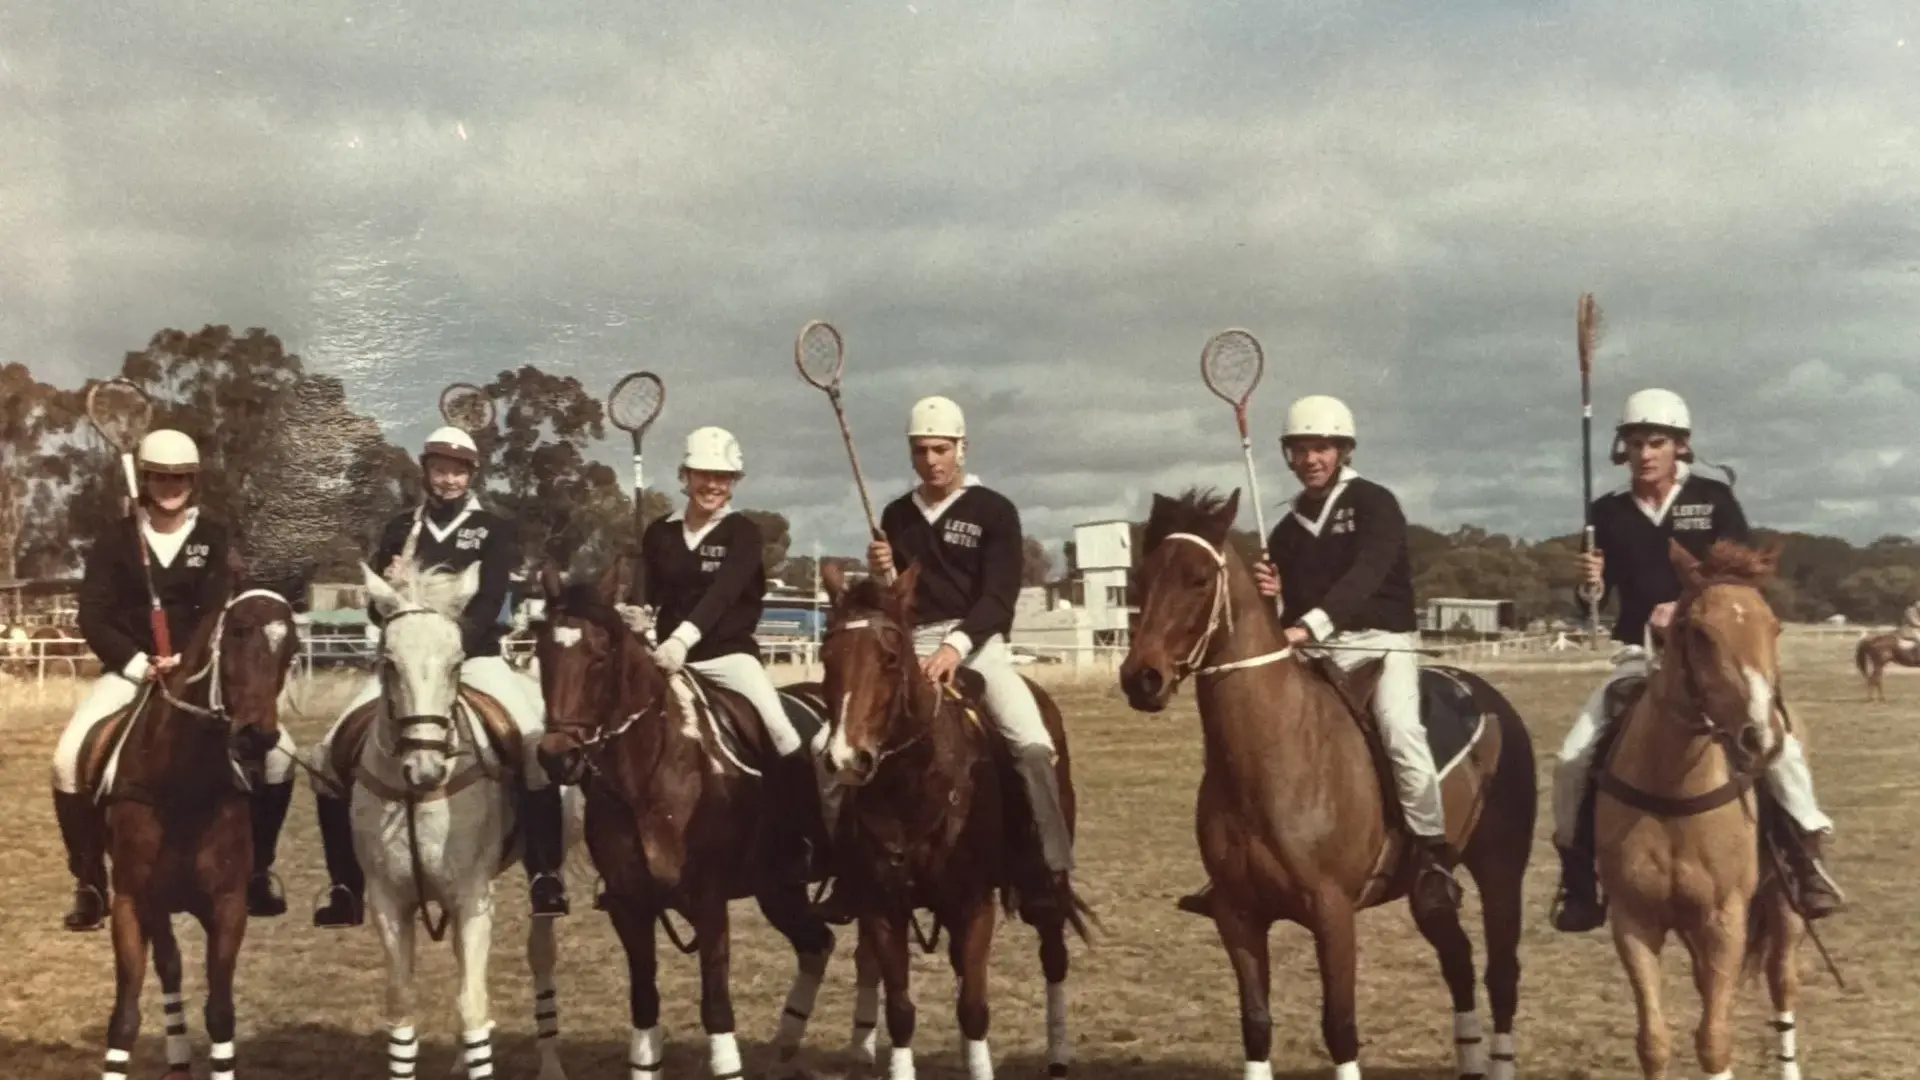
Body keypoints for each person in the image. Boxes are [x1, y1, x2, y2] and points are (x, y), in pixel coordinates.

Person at [1551, 388, 1845, 932]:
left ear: (1680, 446)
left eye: (1656, 442)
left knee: (1775, 743)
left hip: (1715, 656)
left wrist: (1687, 607)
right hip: (1641, 652)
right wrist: (1590, 585)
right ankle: (1578, 876)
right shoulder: (1607, 511)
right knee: (1573, 757)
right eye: (1635, 443)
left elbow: (1744, 576)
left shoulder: (1713, 499)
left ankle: (1805, 858)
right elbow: (1593, 603)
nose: (1644, 454)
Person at [1175, 395, 1458, 920]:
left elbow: (1366, 575)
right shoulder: (1286, 528)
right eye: (1301, 449)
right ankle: (1238, 866)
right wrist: (1275, 596)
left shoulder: (1375, 503)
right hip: (1315, 649)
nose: (1311, 459)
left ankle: (1431, 854)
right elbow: (1284, 611)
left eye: (1322, 448)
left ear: (1343, 450)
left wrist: (1309, 625)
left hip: (1380, 643)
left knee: (1400, 730)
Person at [308, 425, 568, 926]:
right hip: (408, 664)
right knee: (325, 754)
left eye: (457, 471)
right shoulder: (400, 528)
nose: (448, 479)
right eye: (440, 469)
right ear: (426, 471)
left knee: (533, 749)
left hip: (477, 659)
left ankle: (545, 874)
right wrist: (391, 591)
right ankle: (345, 887)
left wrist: (450, 644)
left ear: (471, 475)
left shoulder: (492, 529)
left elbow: (491, 598)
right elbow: (376, 609)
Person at [53, 429, 296, 930]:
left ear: (194, 481)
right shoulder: (117, 539)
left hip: (202, 675)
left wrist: (189, 659)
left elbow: (220, 608)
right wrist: (138, 662)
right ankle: (90, 881)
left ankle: (259, 871)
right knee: (66, 760)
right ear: (145, 480)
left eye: (180, 478)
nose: (170, 487)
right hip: (132, 674)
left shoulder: (214, 537)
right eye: (161, 478)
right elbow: (93, 615)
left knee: (279, 757)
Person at [863, 395, 1075, 910]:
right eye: (920, 451)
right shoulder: (896, 514)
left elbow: (998, 598)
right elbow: (895, 601)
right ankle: (849, 870)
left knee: (1032, 745)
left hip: (978, 646)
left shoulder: (994, 511)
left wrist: (955, 646)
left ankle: (1050, 866)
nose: (931, 460)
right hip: (911, 646)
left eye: (940, 449)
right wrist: (882, 573)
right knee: (846, 744)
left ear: (962, 448)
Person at [639, 427, 822, 884]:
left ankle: (808, 840)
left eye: (723, 477)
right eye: (704, 474)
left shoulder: (743, 533)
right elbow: (647, 591)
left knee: (782, 732)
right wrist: (636, 613)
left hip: (728, 657)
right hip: (666, 659)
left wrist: (681, 639)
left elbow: (722, 595)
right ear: (685, 475)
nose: (713, 485)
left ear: (735, 482)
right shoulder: (659, 533)